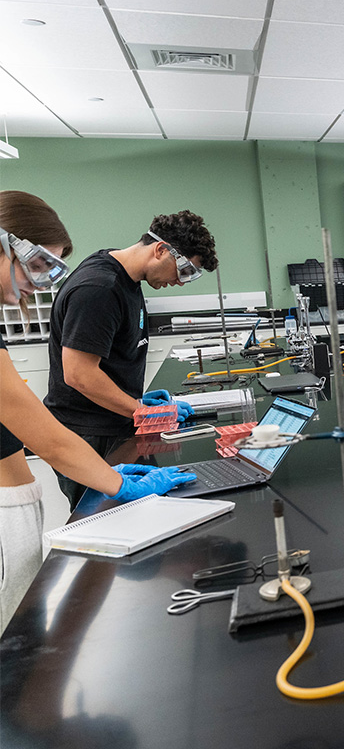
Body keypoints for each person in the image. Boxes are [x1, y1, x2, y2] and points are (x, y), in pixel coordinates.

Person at [0, 191, 196, 632]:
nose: (39, 282)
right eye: (35, 265)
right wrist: (115, 481)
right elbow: (49, 431)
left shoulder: (121, 281)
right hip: (18, 497)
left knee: (23, 629)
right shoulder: (99, 284)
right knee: (18, 636)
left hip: (17, 496)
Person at [45, 210, 217, 508]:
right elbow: (79, 375)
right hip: (90, 435)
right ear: (161, 250)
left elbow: (108, 359)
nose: (181, 281)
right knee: (103, 524)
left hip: (111, 424)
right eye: (185, 270)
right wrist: (139, 410)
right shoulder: (99, 287)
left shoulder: (126, 279)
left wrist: (137, 400)